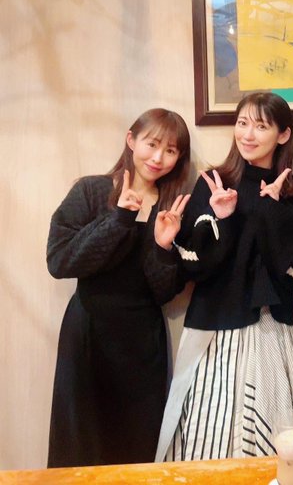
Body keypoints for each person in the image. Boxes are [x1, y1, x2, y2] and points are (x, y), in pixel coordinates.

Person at [153, 92, 293, 462]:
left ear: (282, 134)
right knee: (206, 440)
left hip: (269, 329)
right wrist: (223, 219)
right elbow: (194, 267)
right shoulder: (214, 182)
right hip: (214, 327)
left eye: (261, 126)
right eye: (243, 123)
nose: (248, 134)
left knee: (273, 445)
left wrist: (273, 211)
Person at [47, 108, 191, 467]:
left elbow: (164, 293)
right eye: (151, 144)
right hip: (88, 333)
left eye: (170, 150)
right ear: (131, 140)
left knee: (138, 445)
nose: (158, 158)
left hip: (143, 342)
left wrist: (163, 247)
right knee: (81, 444)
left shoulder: (172, 209)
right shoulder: (91, 191)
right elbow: (60, 261)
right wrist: (120, 218)